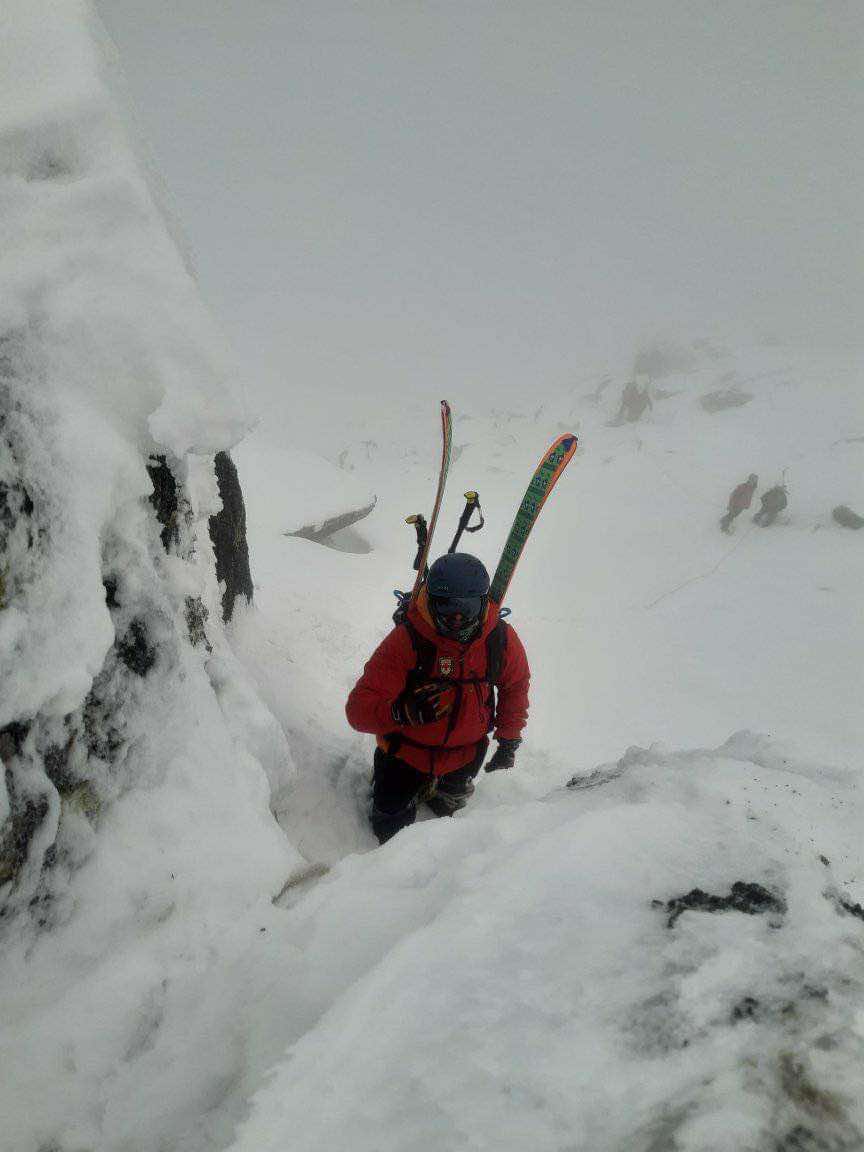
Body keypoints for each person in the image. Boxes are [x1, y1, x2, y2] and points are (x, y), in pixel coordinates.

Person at [346, 553, 530, 843]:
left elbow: (515, 686)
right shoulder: (408, 640)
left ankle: (441, 791)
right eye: (446, 606)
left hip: (466, 755)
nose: (457, 619)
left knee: (446, 812)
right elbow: (358, 710)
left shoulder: (499, 640)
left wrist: (508, 741)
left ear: (482, 603)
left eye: (466, 608)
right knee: (388, 831)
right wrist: (400, 712)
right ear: (430, 601)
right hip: (406, 753)